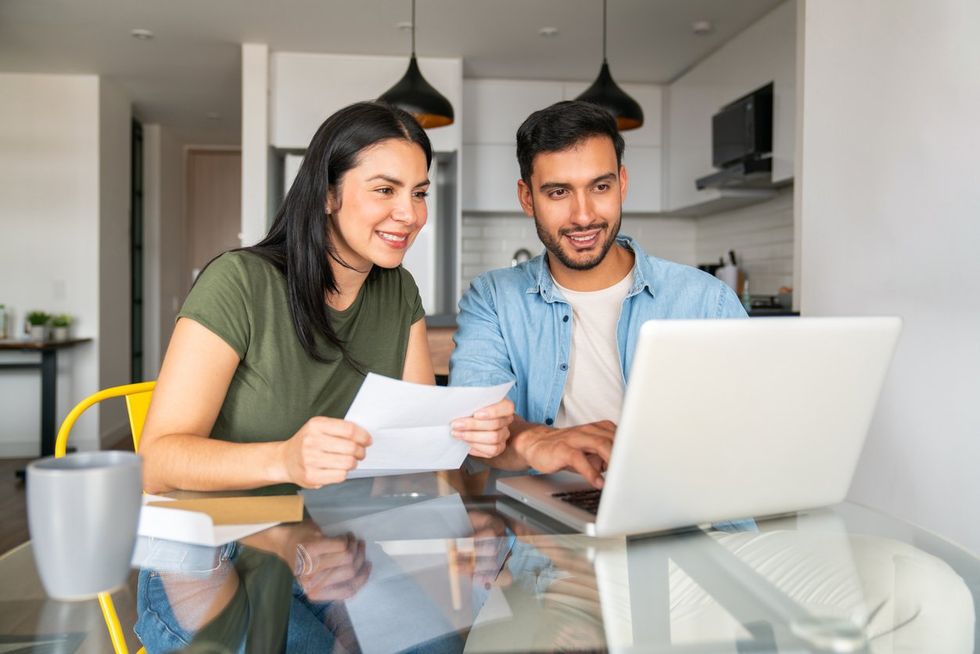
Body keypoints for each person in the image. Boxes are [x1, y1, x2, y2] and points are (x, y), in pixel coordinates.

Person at [139, 101, 513, 494]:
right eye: (385, 190)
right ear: (327, 196)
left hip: (339, 540)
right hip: (233, 539)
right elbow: (155, 462)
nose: (411, 214)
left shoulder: (399, 290)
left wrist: (470, 435)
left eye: (419, 193)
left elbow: (414, 444)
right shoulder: (238, 283)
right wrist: (284, 459)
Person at [450, 100, 746, 488]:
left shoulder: (709, 302)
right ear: (527, 198)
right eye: (558, 192)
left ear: (621, 184)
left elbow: (750, 434)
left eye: (600, 187)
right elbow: (476, 432)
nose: (584, 216)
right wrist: (536, 440)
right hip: (540, 526)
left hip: (681, 513)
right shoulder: (492, 299)